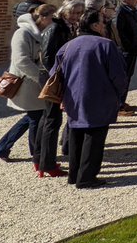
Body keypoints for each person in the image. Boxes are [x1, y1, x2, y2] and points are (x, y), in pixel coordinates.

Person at [52, 10, 129, 189]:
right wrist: (119, 95)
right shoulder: (106, 45)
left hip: (73, 97)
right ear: (94, 26)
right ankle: (86, 177)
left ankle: (74, 174)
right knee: (94, 138)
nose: (104, 26)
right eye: (102, 22)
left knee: (76, 135)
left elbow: (55, 73)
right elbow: (119, 76)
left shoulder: (68, 45)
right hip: (99, 97)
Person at [0, 4, 56, 166]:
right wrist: (41, 78)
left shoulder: (44, 33)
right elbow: (21, 60)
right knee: (35, 117)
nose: (54, 21)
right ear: (43, 17)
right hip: (27, 82)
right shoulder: (22, 33)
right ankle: (37, 154)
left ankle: (2, 148)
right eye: (52, 17)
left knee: (34, 117)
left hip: (37, 82)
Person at [37, 0, 84, 177]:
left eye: (79, 13)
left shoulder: (69, 27)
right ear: (64, 11)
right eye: (73, 12)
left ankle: (41, 160)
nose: (76, 16)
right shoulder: (56, 28)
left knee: (49, 118)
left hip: (59, 75)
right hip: (52, 77)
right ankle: (47, 163)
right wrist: (57, 77)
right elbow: (48, 56)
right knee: (51, 119)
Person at [114, 0, 137, 91]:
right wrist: (128, 46)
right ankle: (119, 103)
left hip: (132, 50)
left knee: (128, 75)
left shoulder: (132, 10)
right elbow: (119, 33)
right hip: (126, 51)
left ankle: (123, 101)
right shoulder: (120, 12)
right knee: (123, 76)